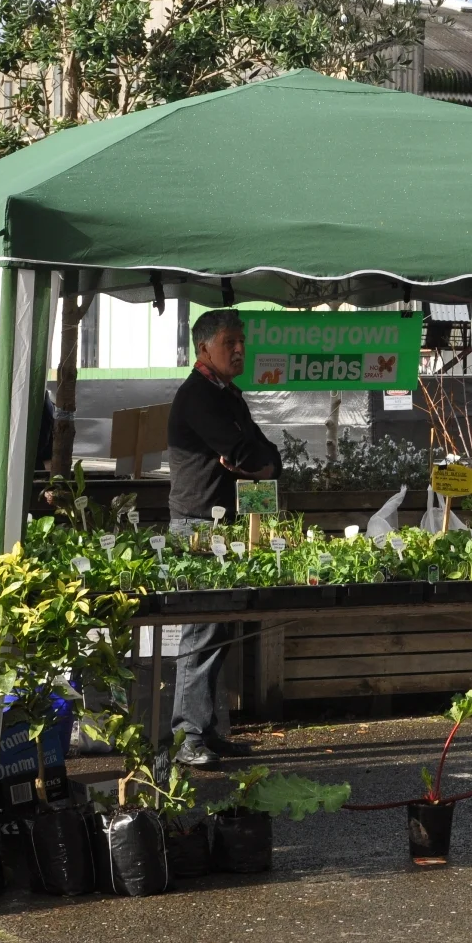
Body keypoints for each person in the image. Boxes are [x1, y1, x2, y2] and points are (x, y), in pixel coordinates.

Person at [166, 309, 282, 768]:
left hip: (224, 529)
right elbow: (242, 452)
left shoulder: (228, 394)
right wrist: (258, 460)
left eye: (242, 342)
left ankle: (208, 731)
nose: (240, 350)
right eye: (230, 342)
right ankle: (186, 736)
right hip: (198, 528)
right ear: (203, 348)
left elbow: (265, 452)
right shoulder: (197, 396)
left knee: (218, 632)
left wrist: (264, 463)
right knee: (200, 631)